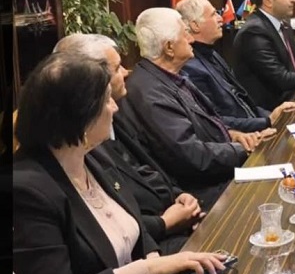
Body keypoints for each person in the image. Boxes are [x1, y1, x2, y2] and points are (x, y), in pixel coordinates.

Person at [13, 53, 227, 274]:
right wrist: (152, 268)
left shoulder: (93, 154)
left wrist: (160, 265)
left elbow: (135, 226)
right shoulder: (26, 192)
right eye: (106, 100)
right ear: (81, 115)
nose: (115, 107)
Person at [53, 33, 203, 255]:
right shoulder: (81, 144)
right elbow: (107, 224)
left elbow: (147, 170)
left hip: (165, 225)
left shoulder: (115, 114)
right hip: (145, 245)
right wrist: (164, 224)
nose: (126, 72)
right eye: (117, 68)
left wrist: (179, 196)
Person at [123, 8, 260, 209]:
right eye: (185, 33)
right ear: (169, 47)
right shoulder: (150, 93)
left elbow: (207, 122)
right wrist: (242, 150)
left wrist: (233, 135)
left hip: (218, 173)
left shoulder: (171, 76)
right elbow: (192, 156)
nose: (191, 39)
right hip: (201, 192)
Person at [176, 0, 295, 134]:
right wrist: (267, 121)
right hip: (241, 137)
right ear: (195, 25)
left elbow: (242, 101)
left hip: (255, 126)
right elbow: (213, 121)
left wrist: (271, 116)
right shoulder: (190, 68)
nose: (220, 18)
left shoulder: (212, 54)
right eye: (213, 14)